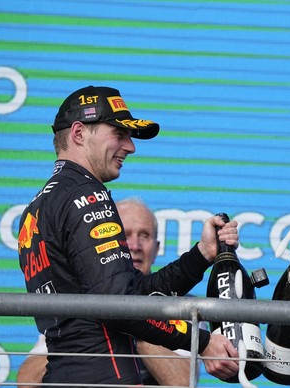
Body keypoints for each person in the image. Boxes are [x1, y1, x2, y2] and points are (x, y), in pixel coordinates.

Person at [17, 86, 239, 387]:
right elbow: (120, 305)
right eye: (118, 134)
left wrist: (201, 256)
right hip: (105, 377)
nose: (130, 147)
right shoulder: (87, 194)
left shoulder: (35, 208)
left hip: (65, 374)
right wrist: (201, 341)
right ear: (79, 133)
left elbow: (132, 293)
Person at [17, 198, 202, 387]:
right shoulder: (79, 301)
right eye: (124, 235)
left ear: (157, 249)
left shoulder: (182, 305)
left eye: (144, 235)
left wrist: (130, 323)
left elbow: (183, 383)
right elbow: (26, 382)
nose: (134, 246)